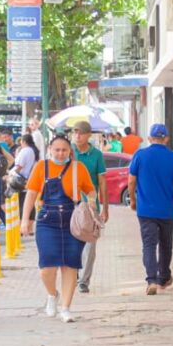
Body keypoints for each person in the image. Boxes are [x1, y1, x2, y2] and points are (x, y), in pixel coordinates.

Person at [21, 135, 97, 323]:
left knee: (70, 264)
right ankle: (52, 294)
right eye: (57, 150)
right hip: (47, 220)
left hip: (72, 222)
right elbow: (30, 194)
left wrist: (92, 201)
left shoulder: (78, 168)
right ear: (50, 149)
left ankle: (66, 308)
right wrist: (25, 220)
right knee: (46, 268)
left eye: (64, 150)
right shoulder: (41, 167)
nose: (61, 153)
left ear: (70, 151)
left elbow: (90, 190)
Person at [127, 124, 173, 295]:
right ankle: (164, 277)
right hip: (167, 210)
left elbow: (131, 181)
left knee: (148, 245)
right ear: (166, 139)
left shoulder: (140, 155)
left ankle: (151, 280)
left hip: (145, 210)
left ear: (149, 138)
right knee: (166, 245)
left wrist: (133, 200)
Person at [71, 121, 109, 294]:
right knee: (72, 242)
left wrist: (105, 207)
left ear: (88, 135)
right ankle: (73, 275)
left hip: (90, 206)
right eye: (75, 133)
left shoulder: (97, 155)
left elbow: (102, 181)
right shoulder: (69, 152)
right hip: (71, 203)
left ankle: (84, 281)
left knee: (89, 244)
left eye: (81, 133)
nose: (77, 136)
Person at [12, 133, 39, 216]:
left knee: (19, 202)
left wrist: (10, 174)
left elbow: (19, 167)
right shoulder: (32, 151)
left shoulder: (25, 151)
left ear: (23, 141)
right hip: (27, 179)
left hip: (19, 180)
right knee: (27, 201)